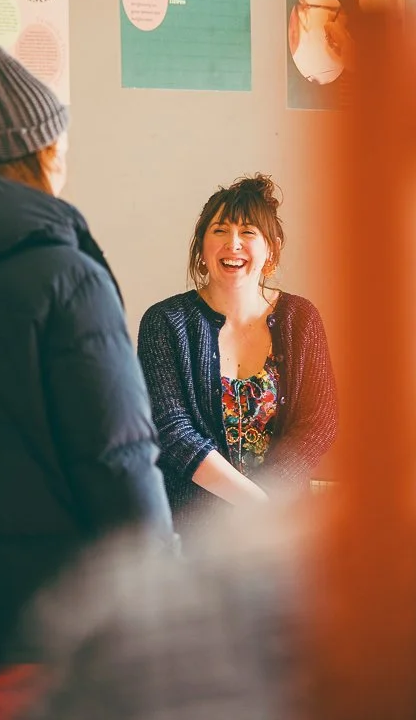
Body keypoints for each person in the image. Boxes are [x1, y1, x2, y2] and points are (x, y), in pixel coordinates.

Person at [0, 38, 173, 719]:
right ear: (44, 150)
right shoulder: (65, 276)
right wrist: (163, 605)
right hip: (36, 636)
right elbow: (118, 461)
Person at [137, 174, 338, 532]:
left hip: (282, 530)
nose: (233, 244)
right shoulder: (165, 322)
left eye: (248, 232)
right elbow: (172, 429)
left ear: (271, 248)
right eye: (220, 231)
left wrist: (270, 504)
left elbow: (318, 424)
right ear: (201, 247)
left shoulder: (300, 319)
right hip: (192, 531)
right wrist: (254, 503)